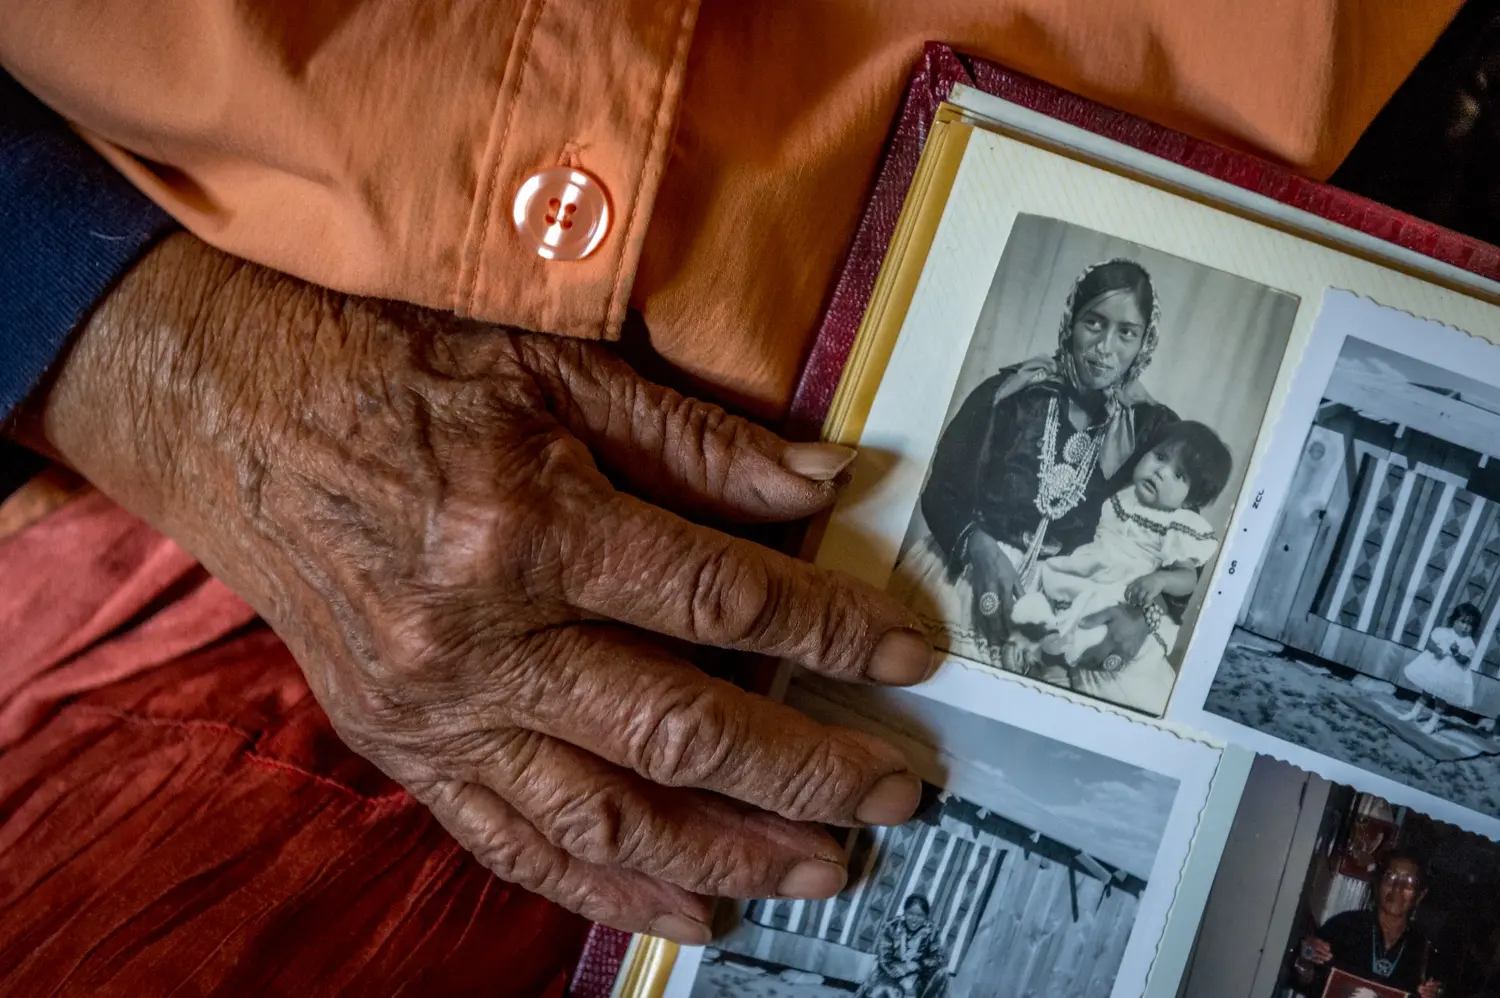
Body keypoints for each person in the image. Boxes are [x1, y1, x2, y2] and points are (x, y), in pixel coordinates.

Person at [0, 2, 1472, 991]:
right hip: (259, 463)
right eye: (1095, 331)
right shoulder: (1014, 404)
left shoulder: (1141, 435)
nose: (1110, 358)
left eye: (1128, 343)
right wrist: (138, 348)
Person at [889, 258, 1182, 691]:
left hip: (1080, 607)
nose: (1106, 348)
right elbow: (940, 491)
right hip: (969, 580)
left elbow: (1179, 545)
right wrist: (979, 550)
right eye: (1094, 323)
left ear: (1144, 343)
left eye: (1127, 333)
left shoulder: (1155, 433)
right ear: (1070, 323)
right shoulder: (1011, 394)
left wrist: (1143, 614)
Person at [1007, 419, 1231, 711]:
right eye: (1160, 457)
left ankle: (1058, 664)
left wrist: (1160, 580)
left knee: (1096, 617)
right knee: (1047, 581)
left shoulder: (1180, 523)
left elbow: (1187, 577)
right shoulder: (1123, 497)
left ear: (1191, 499)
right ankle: (1042, 644)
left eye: (1179, 475)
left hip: (1126, 589)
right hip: (1093, 569)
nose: (1161, 471)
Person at [1294, 854, 1445, 998]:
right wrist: (1305, 956)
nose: (1397, 887)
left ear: (1420, 895)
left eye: (1409, 881)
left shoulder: (1424, 950)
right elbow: (1304, 980)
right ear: (1379, 883)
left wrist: (1435, 994)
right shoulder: (1343, 925)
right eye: (1391, 876)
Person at [1398, 603, 1483, 735]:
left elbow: (1464, 660)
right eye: (1462, 622)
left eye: (1469, 625)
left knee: (1440, 698)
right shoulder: (1442, 632)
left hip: (1450, 673)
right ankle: (1414, 713)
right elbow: (1430, 644)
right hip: (1434, 668)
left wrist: (1456, 653)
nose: (1465, 627)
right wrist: (1436, 650)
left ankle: (1433, 723)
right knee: (1426, 692)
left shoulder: (1468, 643)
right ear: (1454, 620)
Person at [856, 895, 949, 998]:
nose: (914, 920)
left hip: (917, 976)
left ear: (926, 917)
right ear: (905, 913)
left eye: (920, 915)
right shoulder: (891, 927)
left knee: (942, 973)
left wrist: (913, 965)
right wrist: (899, 973)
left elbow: (937, 959)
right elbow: (884, 960)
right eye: (911, 914)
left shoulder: (932, 932)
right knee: (888, 991)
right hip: (890, 974)